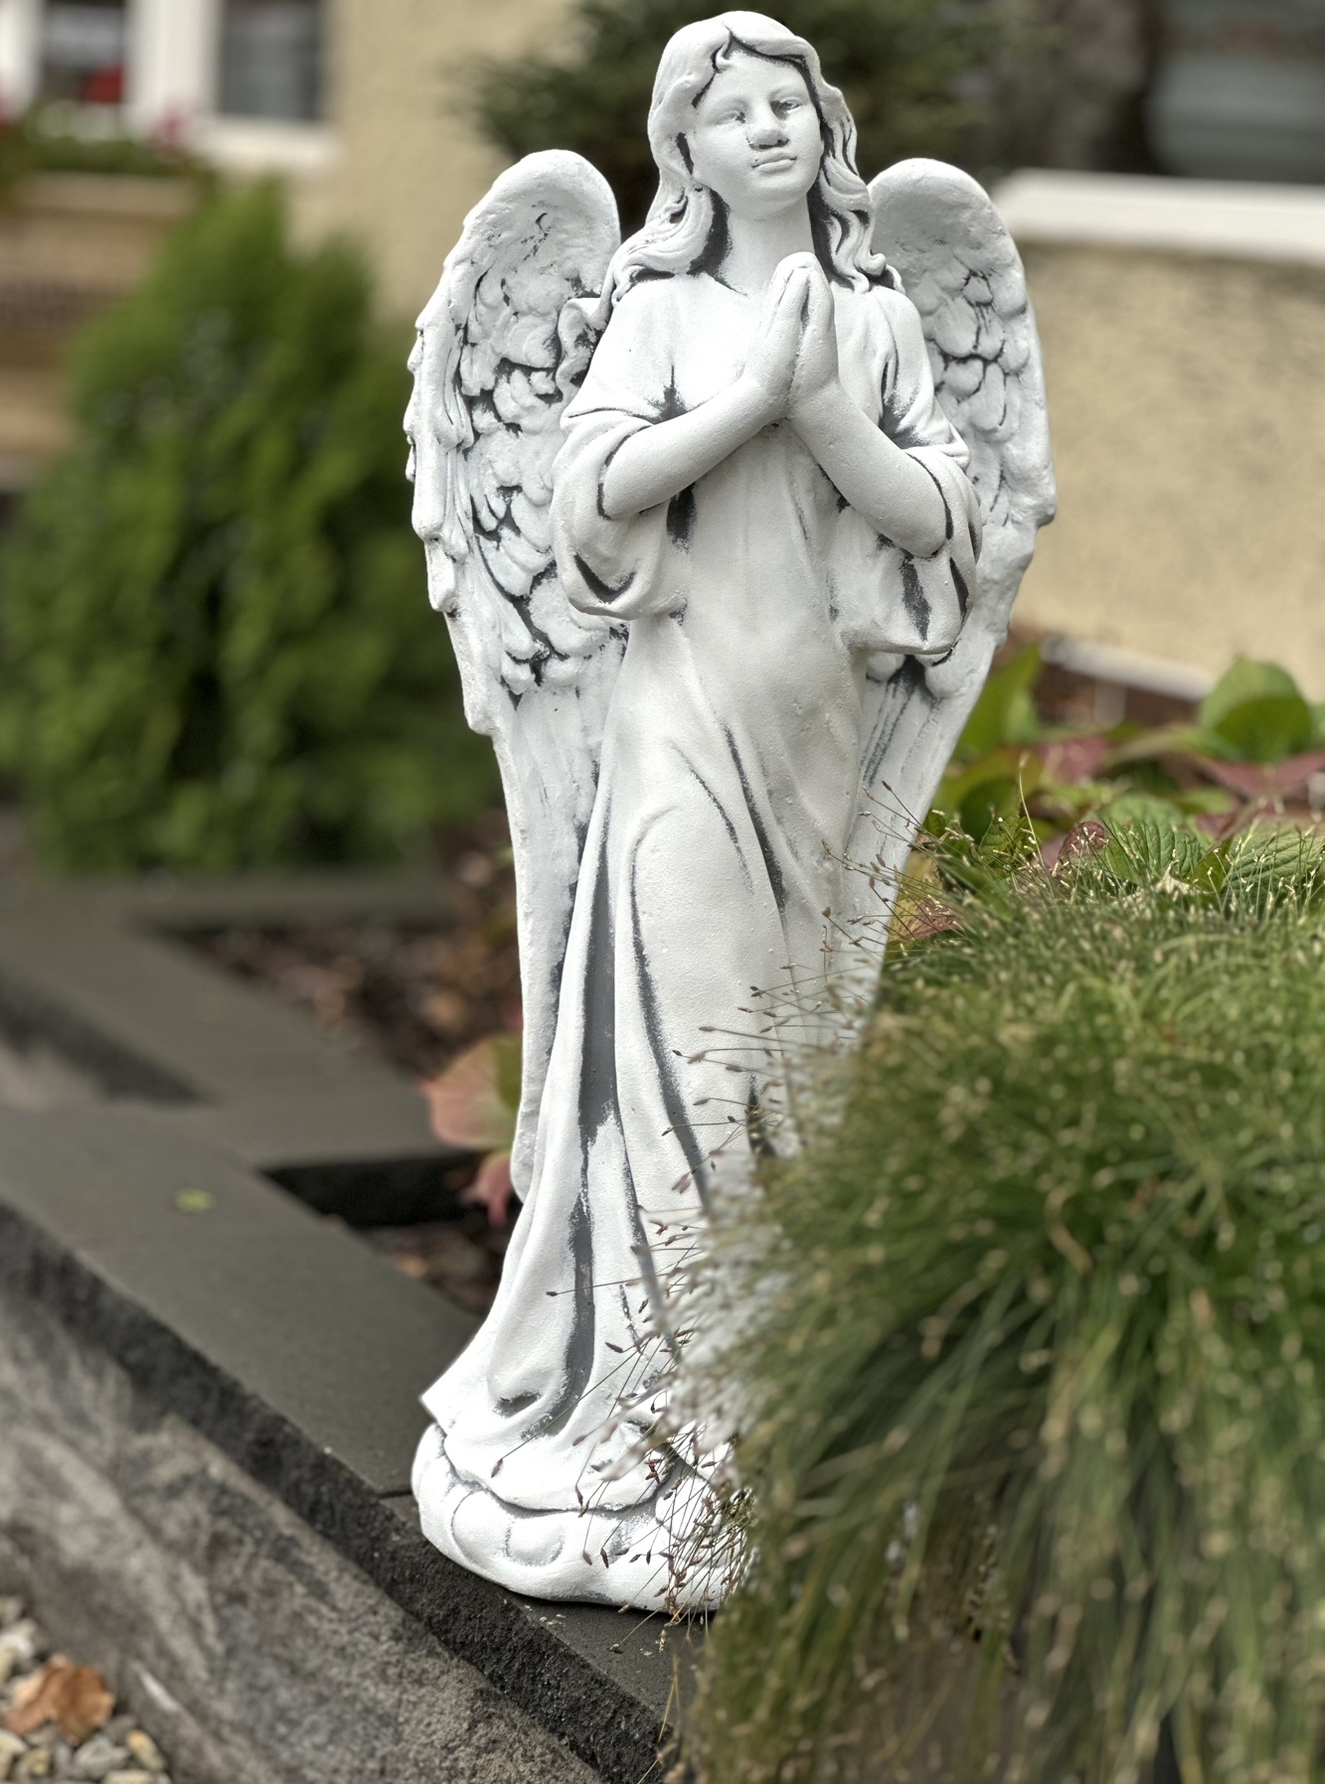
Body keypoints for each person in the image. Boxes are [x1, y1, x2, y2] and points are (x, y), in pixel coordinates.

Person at [413, 10, 980, 1608]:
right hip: (674, 729)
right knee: (674, 1066)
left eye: (788, 103)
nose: (768, 129)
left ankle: (761, 1416)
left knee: (784, 1073)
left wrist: (828, 409)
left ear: (823, 123)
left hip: (814, 735)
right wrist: (753, 401)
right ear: (687, 148)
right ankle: (651, 1415)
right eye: (733, 113)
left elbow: (939, 512)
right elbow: (589, 495)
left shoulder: (878, 317)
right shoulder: (655, 309)